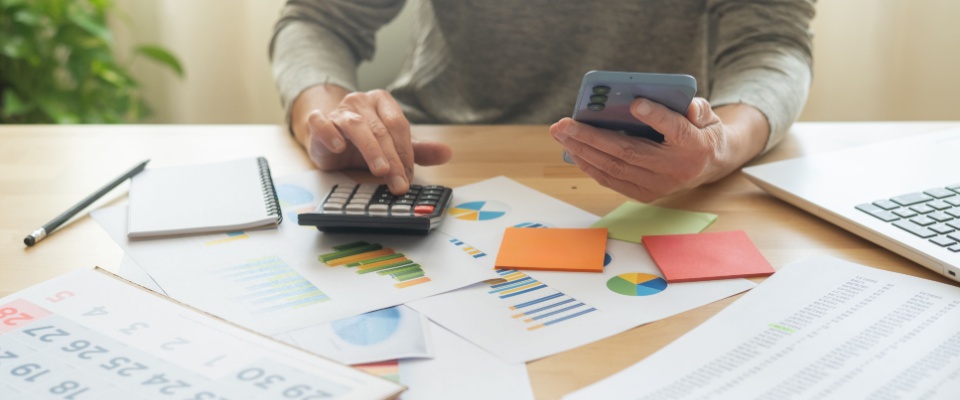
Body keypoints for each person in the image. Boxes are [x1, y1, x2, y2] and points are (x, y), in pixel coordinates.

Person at [269, 1, 815, 202]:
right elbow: (317, 18)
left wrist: (720, 150)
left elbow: (773, 46)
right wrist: (332, 116)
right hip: (436, 164)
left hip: (661, 169)